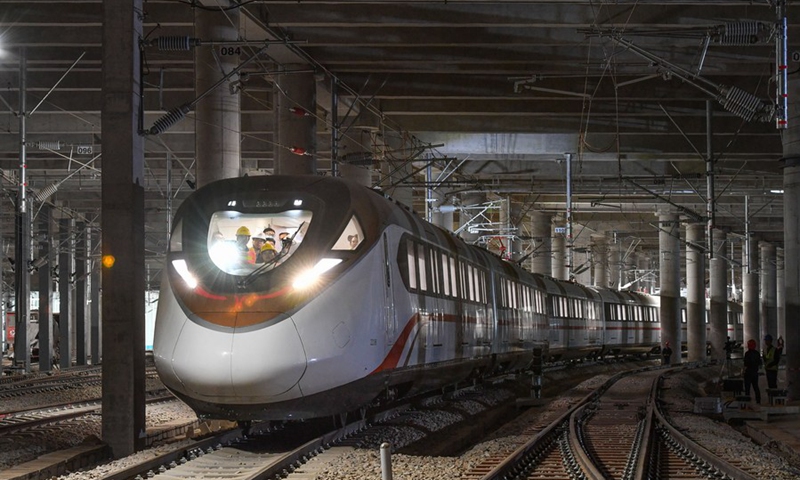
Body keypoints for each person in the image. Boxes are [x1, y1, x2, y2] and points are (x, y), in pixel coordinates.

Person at [743, 339, 762, 404]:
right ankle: (758, 400)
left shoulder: (747, 354)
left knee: (747, 388)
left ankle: (747, 401)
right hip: (755, 372)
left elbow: (745, 364)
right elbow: (760, 363)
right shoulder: (757, 353)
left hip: (748, 372)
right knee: (756, 387)